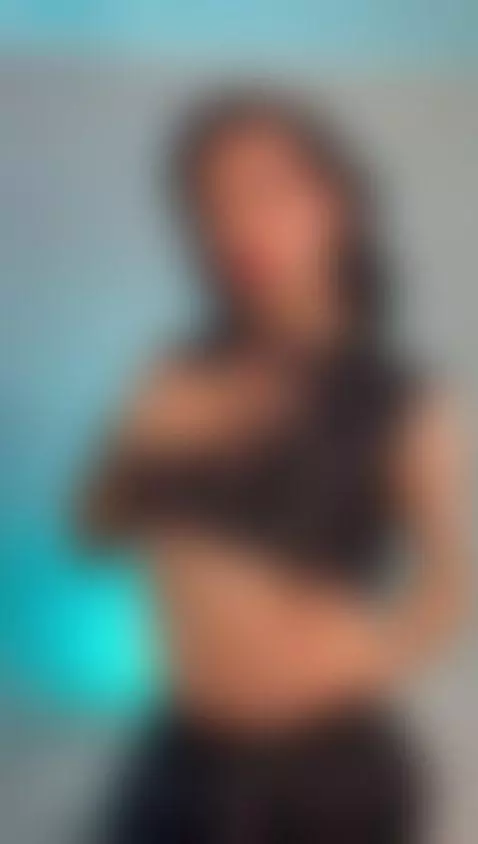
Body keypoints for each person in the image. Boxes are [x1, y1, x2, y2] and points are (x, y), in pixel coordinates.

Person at [78, 90, 469, 843]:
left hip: (326, 768)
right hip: (187, 752)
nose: (238, 222)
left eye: (266, 189)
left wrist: (375, 654)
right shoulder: (180, 372)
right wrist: (139, 442)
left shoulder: (396, 396)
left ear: (336, 202)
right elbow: (95, 529)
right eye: (212, 200)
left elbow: (448, 579)